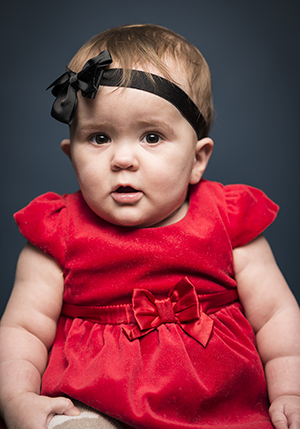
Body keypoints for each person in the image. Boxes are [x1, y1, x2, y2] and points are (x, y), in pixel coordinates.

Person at [0, 23, 299, 429]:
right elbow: (23, 331)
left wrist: (289, 393)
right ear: (71, 156)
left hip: (225, 412)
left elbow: (278, 319)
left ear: (198, 159)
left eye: (152, 137)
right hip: (93, 408)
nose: (123, 159)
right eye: (100, 137)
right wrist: (16, 398)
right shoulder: (58, 232)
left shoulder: (228, 221)